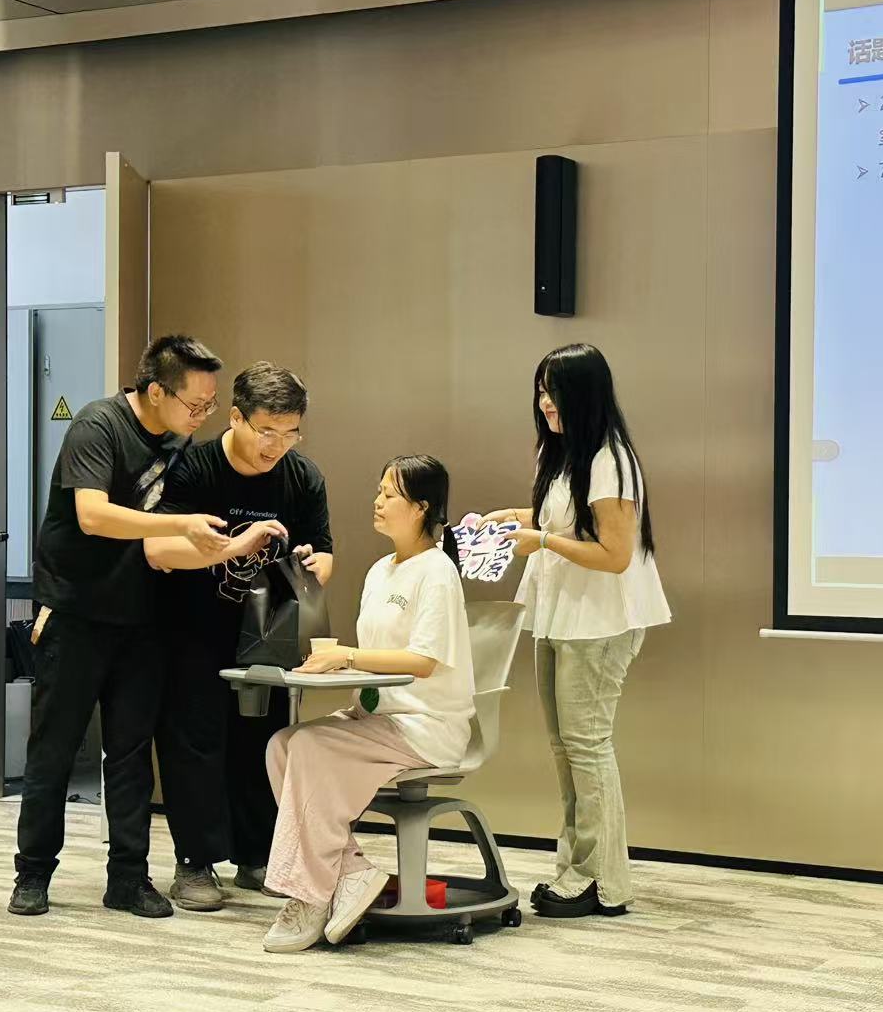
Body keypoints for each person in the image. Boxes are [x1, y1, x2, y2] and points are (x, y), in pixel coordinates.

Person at [9, 335, 231, 920]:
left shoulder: (179, 442)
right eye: (195, 404)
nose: (202, 416)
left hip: (141, 618)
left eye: (209, 405)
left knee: (131, 754)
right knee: (54, 749)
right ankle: (33, 873)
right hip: (75, 612)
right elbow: (93, 515)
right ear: (156, 391)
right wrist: (182, 524)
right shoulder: (97, 425)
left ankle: (129, 878)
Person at [259, 455, 475, 954]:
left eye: (389, 495)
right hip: (377, 716)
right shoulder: (381, 570)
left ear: (421, 508)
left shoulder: (437, 572)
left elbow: (422, 662)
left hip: (423, 723)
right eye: (378, 491)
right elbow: (377, 655)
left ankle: (309, 894)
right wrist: (329, 662)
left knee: (310, 748)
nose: (377, 502)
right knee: (282, 746)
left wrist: (348, 656)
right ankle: (351, 871)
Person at [483, 343, 669, 918]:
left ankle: (603, 881)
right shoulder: (562, 452)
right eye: (541, 392)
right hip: (559, 614)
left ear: (583, 395)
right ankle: (576, 868)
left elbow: (614, 553)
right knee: (567, 748)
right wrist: (515, 520)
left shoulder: (611, 459)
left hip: (600, 622)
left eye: (555, 392)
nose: (545, 404)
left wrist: (538, 539)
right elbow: (565, 519)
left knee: (586, 746)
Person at [144, 361, 334, 913]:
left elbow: (325, 554)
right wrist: (235, 546)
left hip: (267, 637)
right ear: (235, 417)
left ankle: (257, 856)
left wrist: (312, 566)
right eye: (266, 431)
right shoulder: (192, 467)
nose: (277, 445)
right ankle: (195, 862)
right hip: (194, 629)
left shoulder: (303, 477)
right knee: (195, 742)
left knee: (262, 742)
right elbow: (159, 551)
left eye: (290, 432)